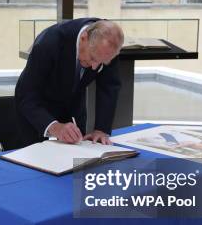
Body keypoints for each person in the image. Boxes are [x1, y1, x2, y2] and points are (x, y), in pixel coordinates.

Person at [15, 18, 124, 147]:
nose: (94, 67)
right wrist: (54, 126)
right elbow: (26, 95)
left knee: (76, 161)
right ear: (84, 38)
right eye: (93, 58)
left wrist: (101, 130)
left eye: (101, 63)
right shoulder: (49, 42)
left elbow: (109, 86)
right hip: (37, 113)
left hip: (73, 109)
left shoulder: (108, 46)